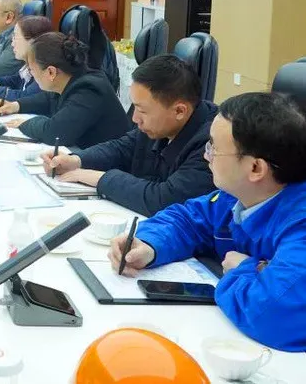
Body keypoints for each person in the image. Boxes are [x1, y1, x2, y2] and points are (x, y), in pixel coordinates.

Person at [109, 92, 306, 352]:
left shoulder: (299, 222)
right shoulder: (236, 196)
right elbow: (187, 220)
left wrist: (241, 269)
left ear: (256, 169)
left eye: (214, 148)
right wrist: (149, 245)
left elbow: (274, 316)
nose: (206, 156)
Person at [43, 55, 217, 216]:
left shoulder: (212, 144)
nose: (135, 118)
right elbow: (122, 148)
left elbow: (164, 200)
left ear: (179, 111)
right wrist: (76, 160)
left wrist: (98, 178)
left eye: (142, 111)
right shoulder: (161, 125)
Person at [0, 32, 130, 147]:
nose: (31, 74)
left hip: (108, 165)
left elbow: (54, 133)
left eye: (31, 69)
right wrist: (16, 105)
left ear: (51, 72)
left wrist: (24, 124)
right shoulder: (72, 79)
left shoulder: (89, 90)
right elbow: (48, 99)